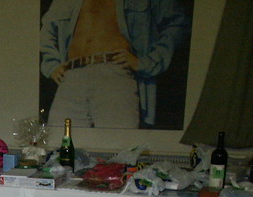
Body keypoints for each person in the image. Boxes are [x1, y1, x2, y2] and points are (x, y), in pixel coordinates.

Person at [40, 0, 188, 128]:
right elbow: (47, 30)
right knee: (59, 143)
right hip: (71, 75)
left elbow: (177, 23)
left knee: (118, 145)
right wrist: (52, 65)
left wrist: (147, 62)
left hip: (114, 74)